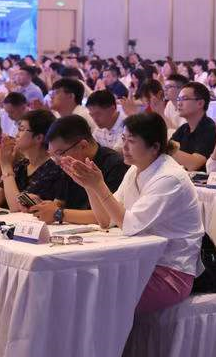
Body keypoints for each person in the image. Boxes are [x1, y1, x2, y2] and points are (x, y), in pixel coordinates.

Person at [59, 111, 203, 314]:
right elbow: (105, 220)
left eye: (132, 141)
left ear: (154, 147)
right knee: (80, 283)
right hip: (140, 262)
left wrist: (99, 185)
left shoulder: (169, 178)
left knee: (96, 297)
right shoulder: (135, 170)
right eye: (123, 139)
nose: (124, 147)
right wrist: (89, 186)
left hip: (170, 271)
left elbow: (128, 225)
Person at [29, 115, 129, 225]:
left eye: (59, 153)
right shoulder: (67, 164)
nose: (57, 161)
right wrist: (41, 207)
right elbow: (60, 203)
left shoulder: (116, 165)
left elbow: (108, 215)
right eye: (52, 155)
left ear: (83, 145)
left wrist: (59, 214)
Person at [0, 108, 67, 211]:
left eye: (21, 129)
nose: (16, 135)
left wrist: (6, 166)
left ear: (39, 138)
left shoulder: (53, 169)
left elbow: (17, 209)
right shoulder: (22, 165)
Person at [169, 81, 216, 172]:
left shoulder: (210, 129)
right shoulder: (183, 129)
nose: (179, 103)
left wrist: (164, 147)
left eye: (184, 99)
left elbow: (194, 164)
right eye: (178, 99)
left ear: (200, 103)